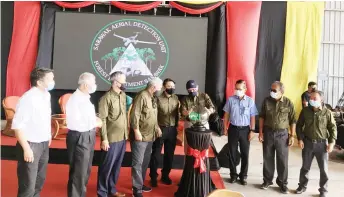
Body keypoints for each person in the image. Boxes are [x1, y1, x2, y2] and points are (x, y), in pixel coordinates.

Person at [12, 67, 54, 197]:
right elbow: (18, 126)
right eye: (51, 79)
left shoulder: (46, 94)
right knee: (28, 184)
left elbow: (45, 118)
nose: (53, 81)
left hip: (43, 143)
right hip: (30, 145)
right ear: (39, 82)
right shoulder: (28, 99)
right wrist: (26, 148)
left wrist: (48, 135)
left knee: (39, 181)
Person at [66, 72, 102, 197]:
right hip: (80, 136)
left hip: (87, 135)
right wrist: (95, 122)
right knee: (78, 172)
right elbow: (76, 122)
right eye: (94, 83)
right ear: (86, 85)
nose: (95, 85)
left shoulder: (85, 97)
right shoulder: (76, 99)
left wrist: (94, 121)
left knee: (85, 170)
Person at [295, 91, 337, 197]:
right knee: (305, 167)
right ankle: (302, 186)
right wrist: (300, 139)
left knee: (323, 169)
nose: (311, 100)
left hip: (322, 145)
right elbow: (299, 125)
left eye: (314, 98)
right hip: (308, 143)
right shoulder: (305, 111)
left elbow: (333, 128)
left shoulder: (327, 113)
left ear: (321, 100)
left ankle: (323, 190)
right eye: (311, 98)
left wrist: (331, 142)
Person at [258, 81, 296, 194]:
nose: (271, 92)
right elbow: (261, 117)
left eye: (274, 90)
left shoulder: (288, 103)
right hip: (268, 132)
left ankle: (283, 183)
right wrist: (260, 132)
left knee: (282, 160)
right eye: (271, 89)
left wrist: (292, 135)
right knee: (268, 158)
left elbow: (293, 120)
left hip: (282, 135)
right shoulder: (266, 101)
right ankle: (267, 180)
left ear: (281, 91)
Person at [130, 77, 163, 197]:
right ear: (153, 87)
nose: (161, 89)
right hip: (141, 135)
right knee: (137, 163)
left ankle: (140, 183)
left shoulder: (152, 97)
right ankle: (136, 189)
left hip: (150, 135)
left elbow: (153, 116)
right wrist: (136, 131)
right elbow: (135, 114)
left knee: (145, 162)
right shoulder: (142, 96)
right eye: (160, 87)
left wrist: (157, 127)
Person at [97, 71, 127, 197]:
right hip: (111, 138)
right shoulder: (106, 98)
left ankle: (112, 190)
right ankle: (102, 192)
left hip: (122, 137)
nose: (125, 83)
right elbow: (102, 119)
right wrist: (104, 139)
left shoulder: (123, 95)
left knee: (116, 166)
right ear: (115, 82)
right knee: (106, 167)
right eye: (123, 81)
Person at [223, 80, 258, 185]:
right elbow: (226, 115)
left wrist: (252, 130)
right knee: (232, 153)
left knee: (245, 154)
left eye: (240, 89)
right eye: (236, 88)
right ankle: (233, 175)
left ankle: (243, 176)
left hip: (245, 130)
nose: (237, 91)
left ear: (245, 90)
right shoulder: (230, 100)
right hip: (233, 128)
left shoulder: (250, 101)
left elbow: (252, 117)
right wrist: (225, 128)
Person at [149, 78, 179, 187]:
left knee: (169, 155)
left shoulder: (176, 98)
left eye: (173, 86)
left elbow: (178, 115)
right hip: (160, 129)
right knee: (156, 154)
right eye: (169, 86)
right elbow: (153, 115)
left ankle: (165, 175)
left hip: (172, 130)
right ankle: (153, 176)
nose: (171, 88)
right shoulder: (157, 98)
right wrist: (156, 128)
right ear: (164, 87)